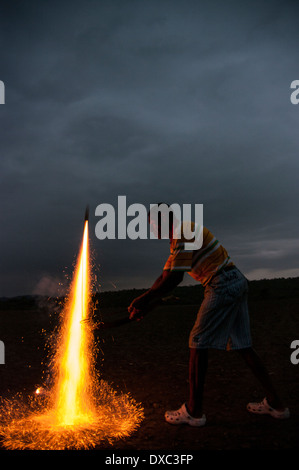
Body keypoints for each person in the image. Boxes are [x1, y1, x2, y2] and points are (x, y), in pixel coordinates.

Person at [128, 204, 290, 426]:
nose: (153, 228)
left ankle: (193, 412)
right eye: (150, 225)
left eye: (154, 223)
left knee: (197, 341)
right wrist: (144, 303)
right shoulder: (177, 242)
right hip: (236, 281)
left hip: (221, 284)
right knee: (243, 345)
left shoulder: (184, 233)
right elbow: (164, 277)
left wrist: (144, 300)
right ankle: (276, 404)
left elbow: (174, 279)